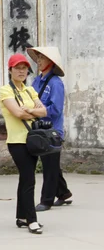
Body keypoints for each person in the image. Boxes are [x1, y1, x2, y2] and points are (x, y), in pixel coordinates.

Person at [0, 53, 47, 234]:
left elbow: (44, 111)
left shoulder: (29, 90)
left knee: (25, 178)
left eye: (24, 68)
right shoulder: (6, 90)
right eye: (17, 68)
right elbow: (18, 114)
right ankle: (32, 220)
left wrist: (30, 110)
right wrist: (32, 111)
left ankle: (21, 216)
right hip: (17, 141)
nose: (21, 71)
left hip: (32, 140)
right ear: (10, 70)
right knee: (29, 179)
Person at [27, 47, 73, 211]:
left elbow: (56, 109)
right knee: (51, 164)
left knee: (49, 166)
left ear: (51, 62)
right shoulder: (36, 81)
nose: (38, 61)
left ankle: (46, 200)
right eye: (38, 58)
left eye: (42, 58)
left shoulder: (55, 83)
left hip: (52, 131)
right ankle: (64, 193)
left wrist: (37, 110)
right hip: (39, 129)